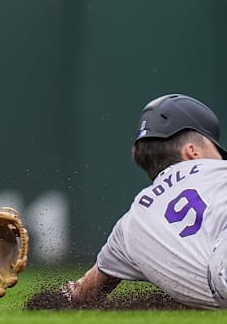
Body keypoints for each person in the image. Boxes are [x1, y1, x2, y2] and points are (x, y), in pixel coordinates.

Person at [64, 93, 227, 309]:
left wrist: (55, 298)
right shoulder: (216, 171)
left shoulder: (128, 225)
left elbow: (83, 293)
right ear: (192, 152)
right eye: (217, 150)